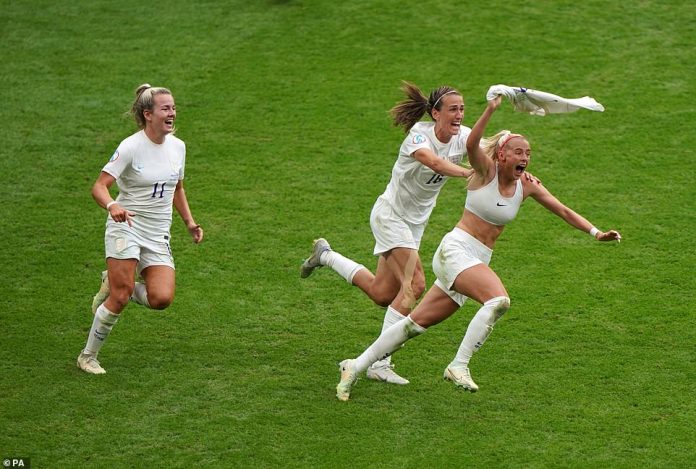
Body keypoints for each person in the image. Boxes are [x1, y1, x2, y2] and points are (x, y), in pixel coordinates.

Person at [335, 94, 621, 401]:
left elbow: (563, 210)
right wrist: (491, 108)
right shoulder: (485, 171)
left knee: (414, 325)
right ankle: (459, 365)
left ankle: (356, 364)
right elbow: (471, 146)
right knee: (498, 300)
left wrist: (595, 232)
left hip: (476, 258)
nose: (524, 158)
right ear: (500, 156)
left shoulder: (528, 185)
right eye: (517, 152)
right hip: (455, 251)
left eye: (528, 153)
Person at [301, 82, 474, 385]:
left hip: (414, 224)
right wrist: (467, 172)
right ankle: (379, 362)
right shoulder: (419, 136)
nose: (459, 114)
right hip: (390, 217)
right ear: (435, 113)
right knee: (415, 285)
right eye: (452, 109)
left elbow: (488, 152)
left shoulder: (464, 137)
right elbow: (433, 161)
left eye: (462, 109)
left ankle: (325, 256)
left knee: (383, 294)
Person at [77, 84, 204, 375]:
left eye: (173, 107)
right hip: (127, 225)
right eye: (165, 108)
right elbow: (99, 187)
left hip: (158, 233)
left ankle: (114, 280)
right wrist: (113, 206)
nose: (172, 113)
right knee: (120, 298)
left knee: (161, 299)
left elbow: (177, 188)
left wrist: (189, 222)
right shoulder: (131, 147)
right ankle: (87, 356)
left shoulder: (178, 146)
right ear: (148, 114)